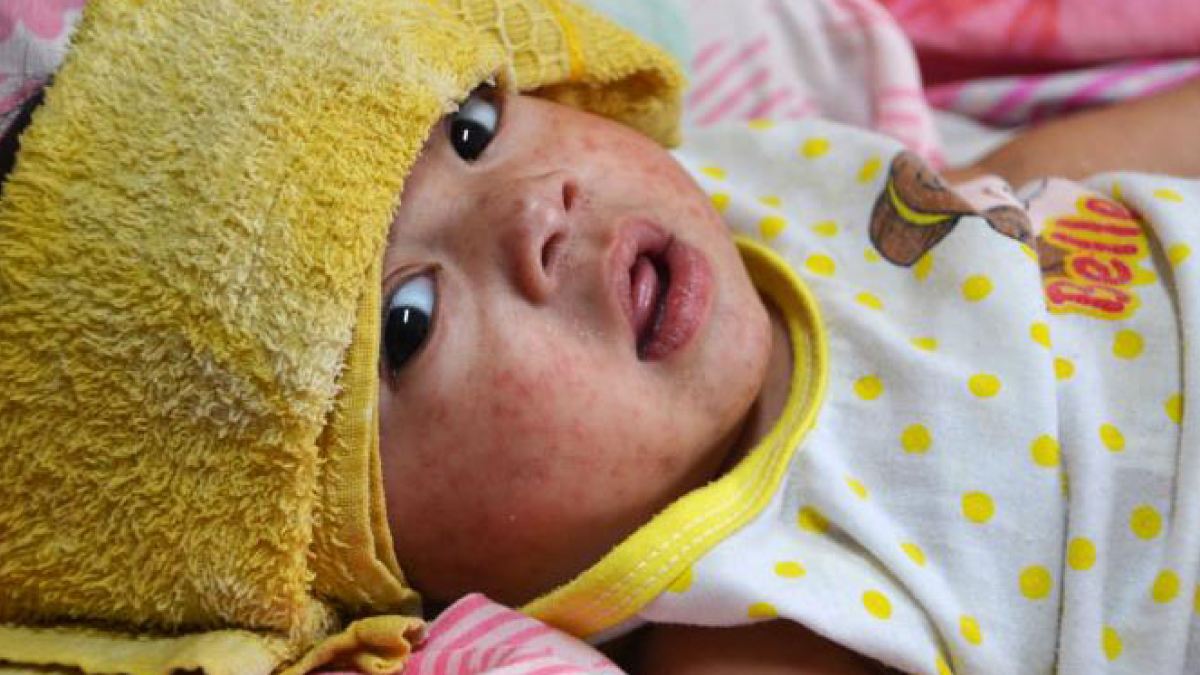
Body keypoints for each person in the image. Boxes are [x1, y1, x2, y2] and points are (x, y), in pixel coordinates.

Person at [2, 1, 1199, 674]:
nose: (534, 209)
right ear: (361, 556)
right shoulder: (752, 619)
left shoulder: (730, 190)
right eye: (407, 323)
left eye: (471, 126)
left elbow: (1025, 193)